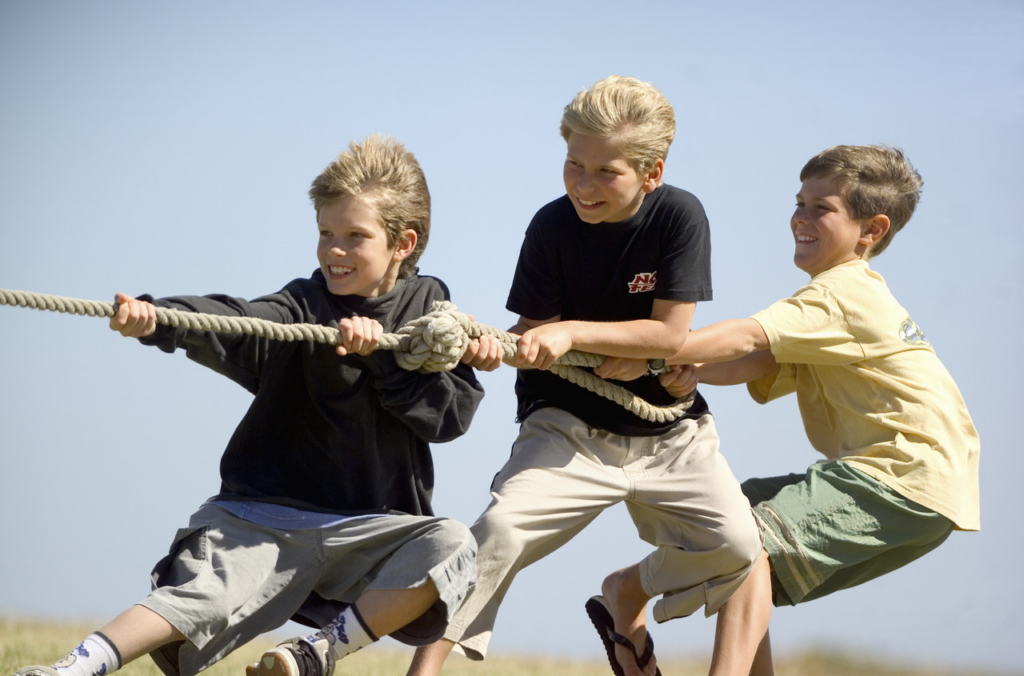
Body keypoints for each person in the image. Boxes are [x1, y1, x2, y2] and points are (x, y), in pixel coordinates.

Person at [13, 135, 486, 676]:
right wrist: (158, 319)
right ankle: (69, 669)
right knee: (202, 599)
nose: (334, 249)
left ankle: (317, 653)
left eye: (355, 236)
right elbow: (233, 319)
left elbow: (451, 418)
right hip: (261, 516)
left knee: (451, 543)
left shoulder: (432, 316)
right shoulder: (300, 307)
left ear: (403, 243)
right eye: (326, 233)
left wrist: (381, 355)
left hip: (368, 526)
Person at [407, 76, 763, 676]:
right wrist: (492, 345)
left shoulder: (680, 216)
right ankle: (425, 671)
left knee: (738, 547)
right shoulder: (550, 226)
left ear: (651, 173)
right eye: (574, 163)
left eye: (606, 171)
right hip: (567, 428)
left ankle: (629, 589)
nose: (584, 183)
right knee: (498, 531)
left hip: (671, 436)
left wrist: (576, 332)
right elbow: (532, 338)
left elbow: (670, 334)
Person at [657, 145, 980, 675]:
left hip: (900, 474)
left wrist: (647, 344)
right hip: (926, 483)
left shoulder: (841, 294)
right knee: (729, 516)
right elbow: (752, 363)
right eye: (799, 202)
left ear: (871, 230)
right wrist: (671, 366)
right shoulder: (837, 309)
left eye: (821, 208)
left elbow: (740, 339)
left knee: (746, 539)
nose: (800, 218)